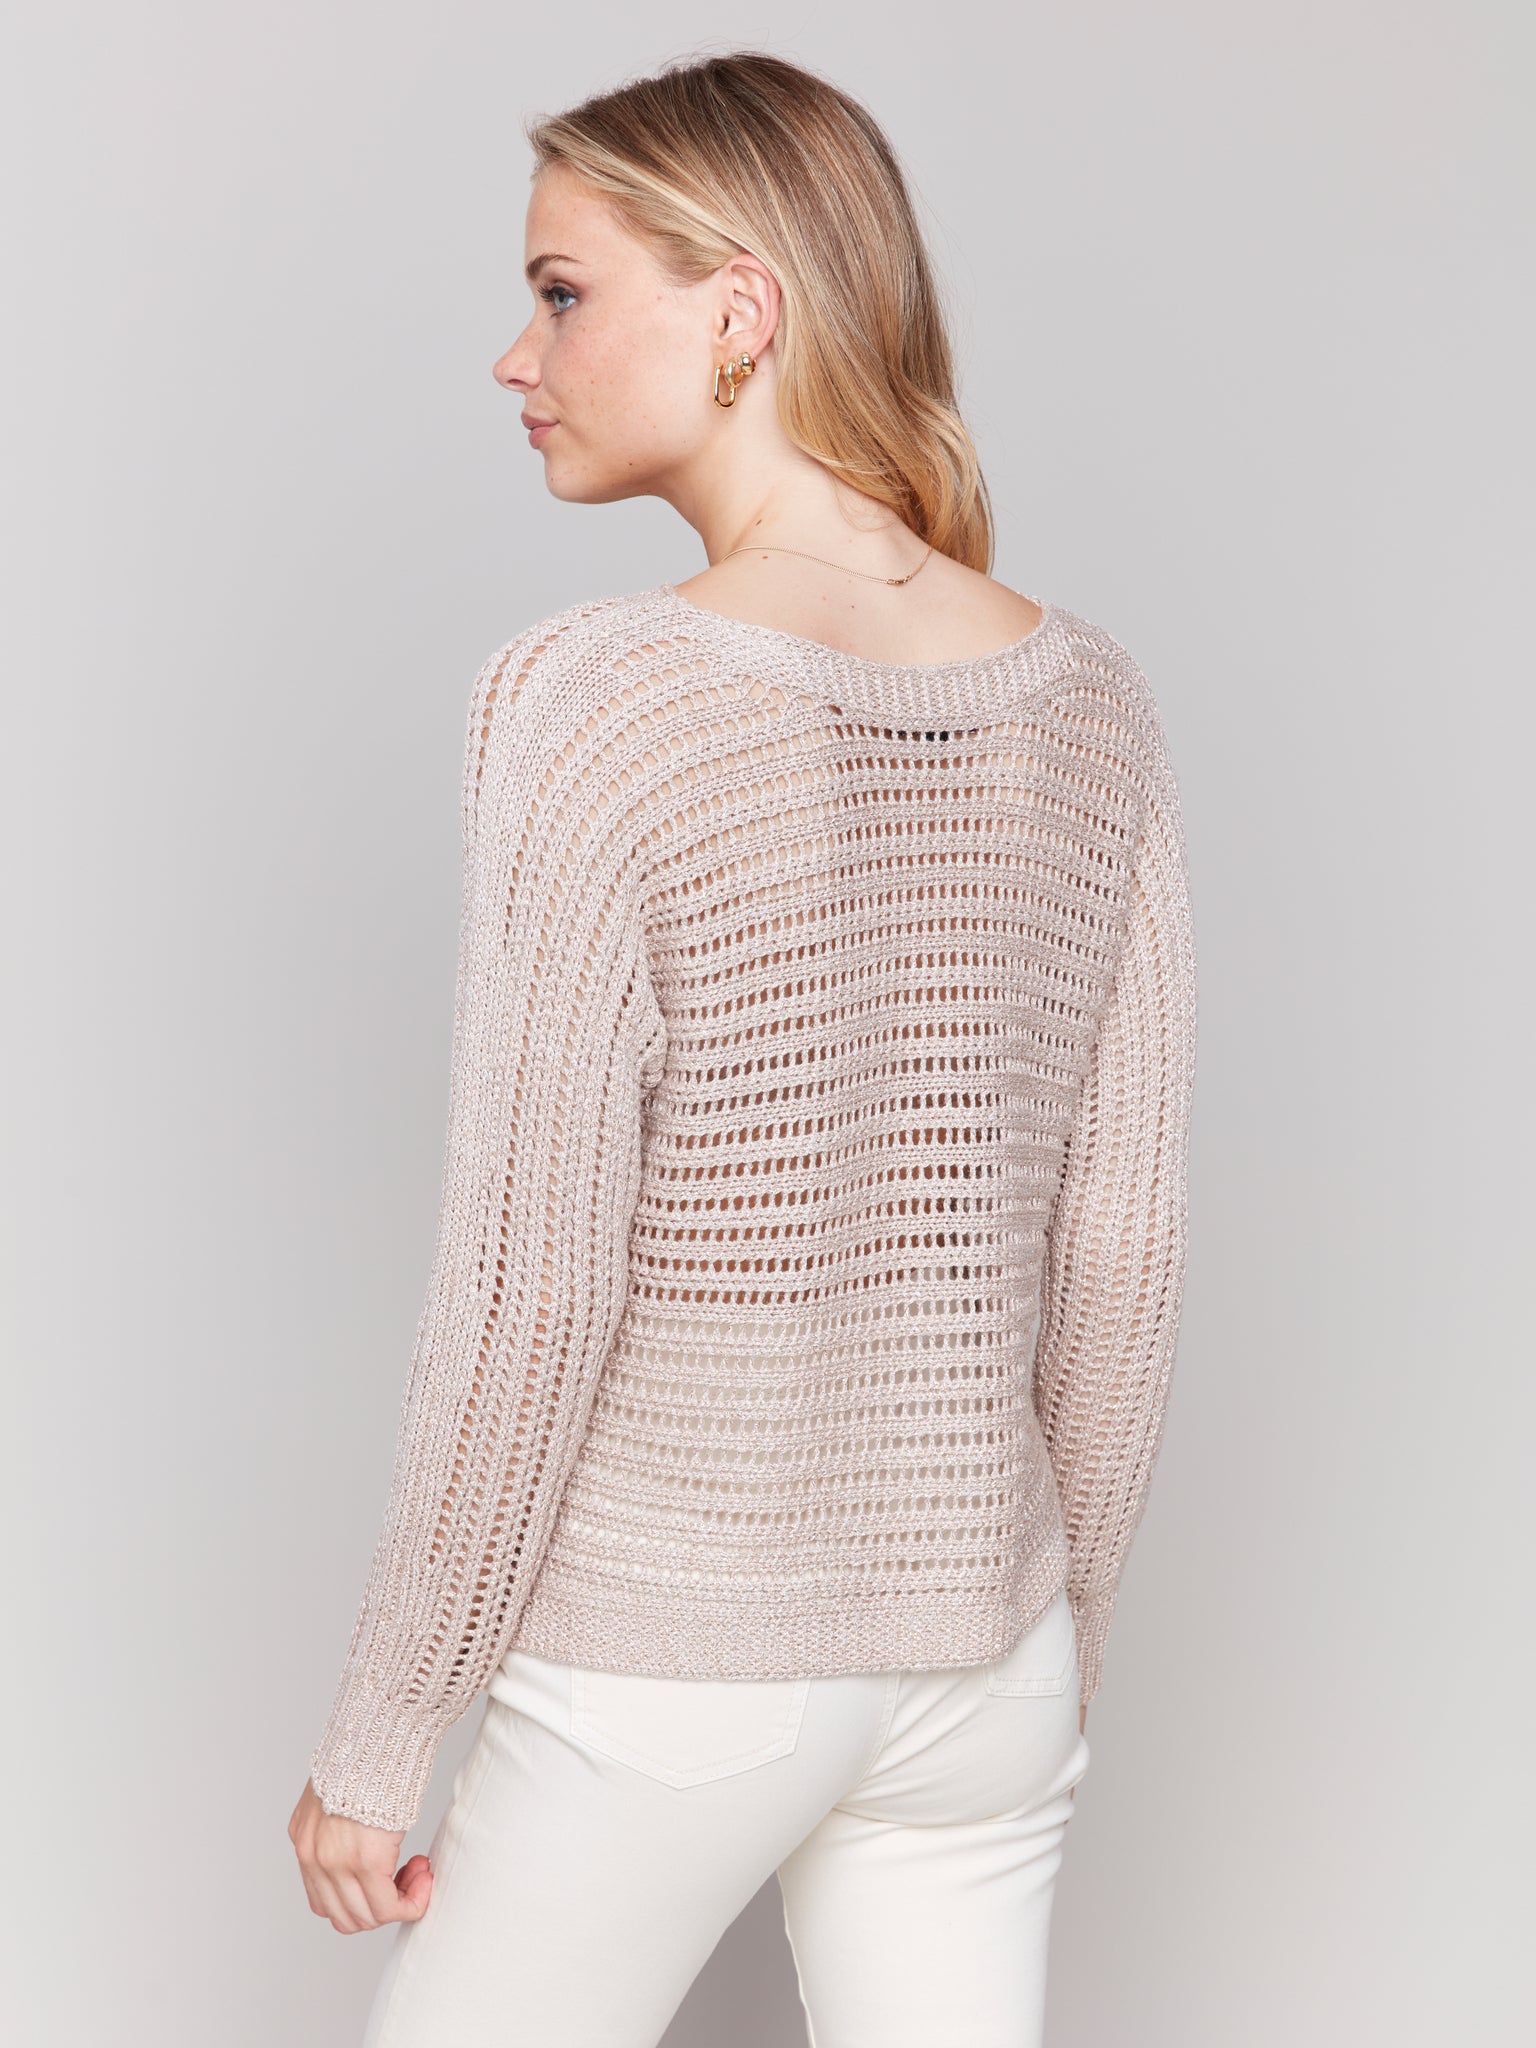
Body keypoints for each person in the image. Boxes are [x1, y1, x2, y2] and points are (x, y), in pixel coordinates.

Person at [288, 48, 1198, 2048]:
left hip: (679, 1658)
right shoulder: (1097, 708)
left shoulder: (600, 698)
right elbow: (1123, 1255)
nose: (517, 355)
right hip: (985, 1650)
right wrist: (1052, 1646)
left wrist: (384, 1730)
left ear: (742, 311)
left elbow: (533, 1284)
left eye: (561, 292)